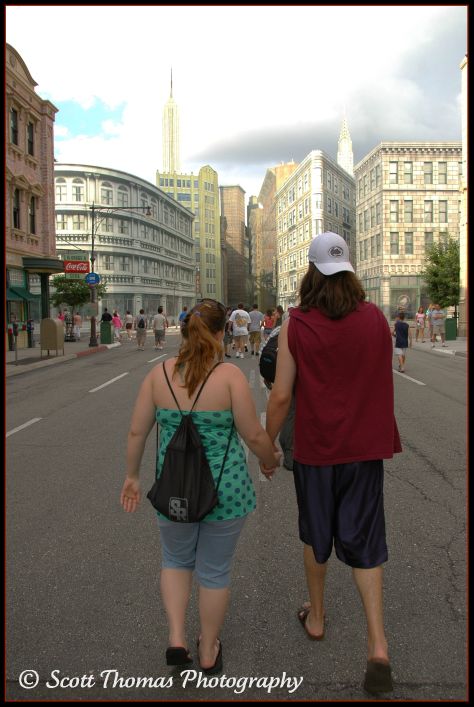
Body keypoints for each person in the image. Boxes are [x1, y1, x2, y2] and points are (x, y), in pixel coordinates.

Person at [263, 232, 401, 695]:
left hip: (317, 451)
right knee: (365, 540)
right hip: (364, 450)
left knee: (315, 533)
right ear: (348, 271)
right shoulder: (376, 320)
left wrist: (266, 445)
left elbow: (281, 394)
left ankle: (317, 617)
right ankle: (377, 643)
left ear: (311, 272)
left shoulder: (297, 325)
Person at [120, 299, 279, 674]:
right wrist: (270, 460)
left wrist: (131, 477)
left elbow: (136, 431)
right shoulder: (229, 378)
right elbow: (253, 435)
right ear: (223, 331)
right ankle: (208, 649)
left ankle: (176, 636)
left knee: (175, 561)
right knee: (214, 571)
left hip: (173, 491)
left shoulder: (159, 376)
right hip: (225, 493)